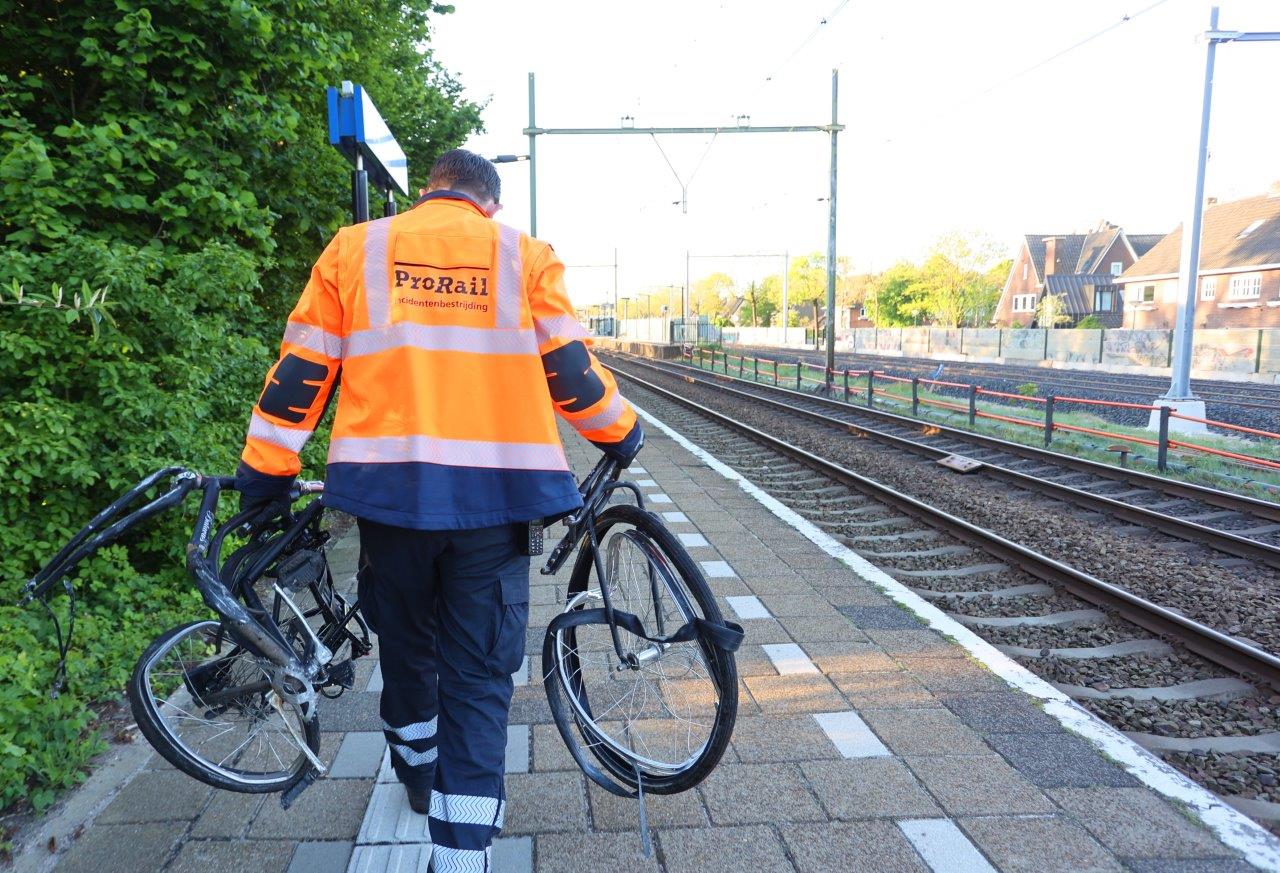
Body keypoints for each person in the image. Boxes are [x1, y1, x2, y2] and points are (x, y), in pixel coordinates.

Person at [236, 148, 642, 872]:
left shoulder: (356, 249)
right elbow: (572, 374)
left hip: (388, 501)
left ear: (428, 191)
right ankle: (461, 856)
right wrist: (621, 431)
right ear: (490, 203)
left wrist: (266, 470)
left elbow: (300, 372)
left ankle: (418, 773)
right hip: (495, 505)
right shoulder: (523, 256)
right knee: (479, 674)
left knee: (405, 641)